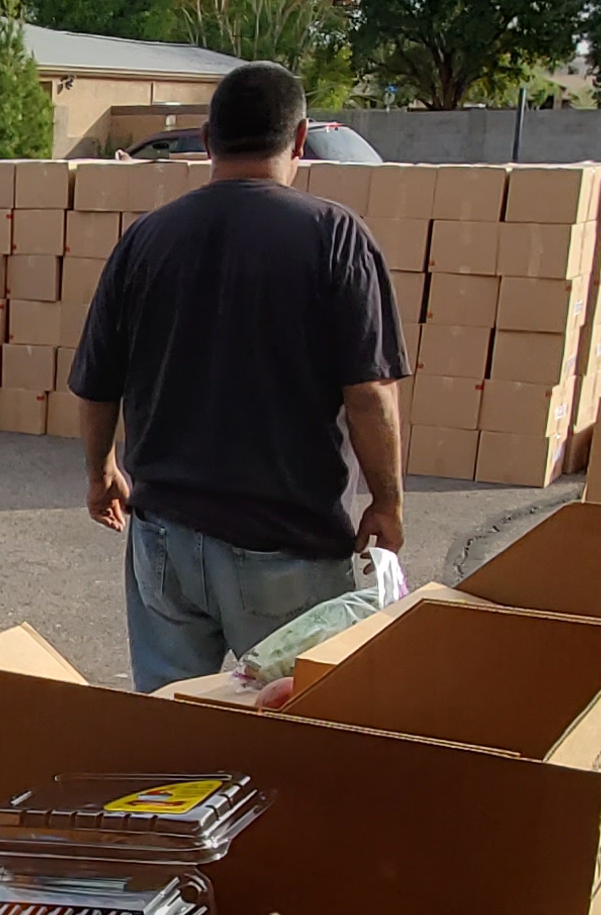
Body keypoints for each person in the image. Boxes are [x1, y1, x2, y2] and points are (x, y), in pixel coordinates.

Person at [68, 60, 409, 691]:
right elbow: (369, 395)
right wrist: (386, 502)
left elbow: (97, 381)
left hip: (165, 538)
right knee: (289, 729)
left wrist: (101, 472)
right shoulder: (335, 238)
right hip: (289, 546)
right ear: (300, 139)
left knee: (170, 726)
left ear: (206, 140)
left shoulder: (146, 240)